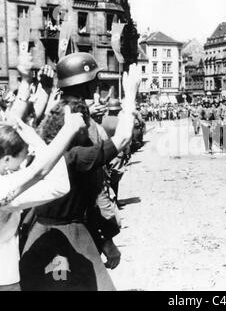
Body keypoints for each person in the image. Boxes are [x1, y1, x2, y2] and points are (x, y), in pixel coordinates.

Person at [21, 54, 142, 291]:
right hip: (70, 235)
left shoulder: (44, 149)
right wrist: (131, 95)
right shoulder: (78, 156)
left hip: (38, 232)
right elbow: (123, 137)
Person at [0, 110, 86, 291]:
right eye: (20, 160)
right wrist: (41, 141)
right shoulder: (4, 186)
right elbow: (57, 184)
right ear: (6, 159)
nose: (21, 166)